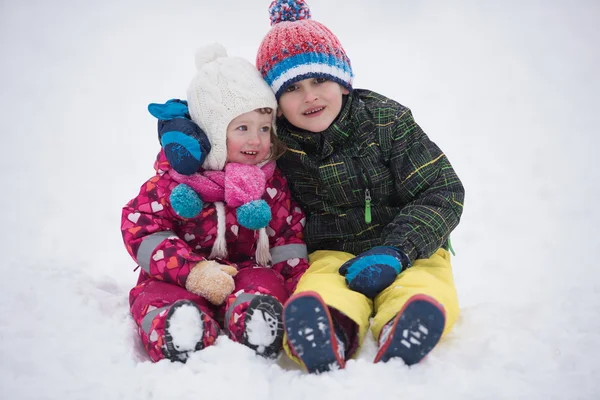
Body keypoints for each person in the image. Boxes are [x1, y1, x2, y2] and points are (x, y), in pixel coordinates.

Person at [253, 0, 466, 373]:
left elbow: (442, 190)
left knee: (424, 280)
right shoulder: (276, 145)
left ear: (343, 80)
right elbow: (229, 145)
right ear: (275, 104)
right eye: (293, 88)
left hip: (410, 245)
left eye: (319, 80)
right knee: (321, 285)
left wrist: (398, 250)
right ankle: (325, 329)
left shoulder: (385, 121)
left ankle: (408, 322)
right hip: (331, 253)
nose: (310, 96)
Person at [121, 43, 309, 363]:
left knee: (265, 284)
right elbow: (141, 228)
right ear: (211, 132)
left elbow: (287, 237)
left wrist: (297, 290)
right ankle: (178, 326)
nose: (256, 140)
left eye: (265, 128)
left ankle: (257, 320)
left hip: (248, 269)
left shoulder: (269, 183)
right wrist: (192, 272)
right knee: (157, 295)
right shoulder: (175, 182)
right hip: (181, 274)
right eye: (242, 128)